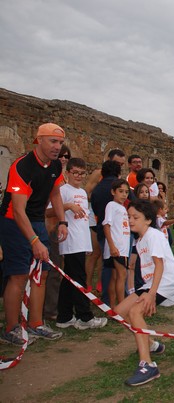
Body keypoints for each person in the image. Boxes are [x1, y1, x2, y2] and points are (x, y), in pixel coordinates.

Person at [0, 123, 68, 344]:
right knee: (19, 275)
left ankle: (36, 324)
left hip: (37, 220)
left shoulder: (56, 166)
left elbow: (56, 194)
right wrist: (34, 240)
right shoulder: (22, 166)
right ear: (38, 140)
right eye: (52, 141)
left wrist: (62, 221)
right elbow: (18, 211)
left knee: (42, 273)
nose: (57, 147)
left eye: (60, 142)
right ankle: (11, 328)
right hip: (13, 222)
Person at [115, 199, 174, 386]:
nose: (131, 220)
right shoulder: (140, 239)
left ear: (148, 220)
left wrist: (151, 294)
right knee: (119, 312)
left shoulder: (154, 236)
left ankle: (148, 365)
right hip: (151, 283)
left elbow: (159, 264)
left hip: (163, 283)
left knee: (135, 312)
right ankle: (151, 344)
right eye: (129, 217)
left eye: (136, 217)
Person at [50, 157, 107, 330]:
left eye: (82, 173)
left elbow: (84, 219)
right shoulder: (62, 190)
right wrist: (67, 206)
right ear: (67, 173)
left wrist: (88, 244)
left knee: (69, 281)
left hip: (81, 241)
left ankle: (64, 316)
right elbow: (48, 212)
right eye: (75, 172)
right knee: (79, 279)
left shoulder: (82, 193)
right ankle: (85, 317)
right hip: (70, 241)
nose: (78, 176)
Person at [43, 144, 71, 321]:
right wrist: (66, 208)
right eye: (61, 155)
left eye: (66, 156)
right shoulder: (48, 177)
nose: (63, 158)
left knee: (58, 271)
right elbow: (46, 209)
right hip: (49, 228)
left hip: (61, 230)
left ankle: (54, 307)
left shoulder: (64, 178)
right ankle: (49, 311)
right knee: (51, 272)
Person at [90, 160, 123, 305]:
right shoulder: (119, 187)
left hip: (102, 231)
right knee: (119, 269)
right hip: (118, 233)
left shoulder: (97, 189)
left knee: (107, 266)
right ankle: (117, 300)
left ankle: (107, 298)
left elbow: (95, 209)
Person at [103, 179, 131, 306]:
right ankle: (121, 306)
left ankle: (113, 307)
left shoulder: (122, 208)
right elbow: (106, 225)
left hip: (122, 247)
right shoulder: (111, 205)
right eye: (121, 191)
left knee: (115, 277)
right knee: (122, 275)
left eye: (126, 192)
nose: (124, 194)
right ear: (113, 192)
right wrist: (112, 246)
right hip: (116, 247)